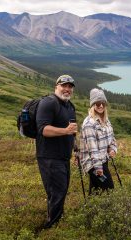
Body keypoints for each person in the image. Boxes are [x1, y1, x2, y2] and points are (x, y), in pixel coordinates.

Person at [35, 74, 77, 229]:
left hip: (64, 157)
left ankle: (55, 222)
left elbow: (72, 131)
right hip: (49, 157)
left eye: (70, 86)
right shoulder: (48, 103)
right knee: (57, 193)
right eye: (63, 86)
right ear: (56, 86)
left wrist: (76, 149)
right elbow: (43, 129)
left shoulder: (69, 106)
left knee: (61, 191)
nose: (67, 89)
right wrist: (65, 131)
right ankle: (51, 228)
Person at [80, 88, 117, 194]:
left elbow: (112, 138)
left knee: (97, 189)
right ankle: (104, 209)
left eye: (103, 103)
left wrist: (113, 149)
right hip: (93, 164)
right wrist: (98, 168)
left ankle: (92, 209)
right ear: (92, 105)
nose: (101, 106)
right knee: (108, 188)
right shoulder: (89, 124)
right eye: (97, 103)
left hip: (103, 160)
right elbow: (92, 148)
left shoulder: (106, 120)